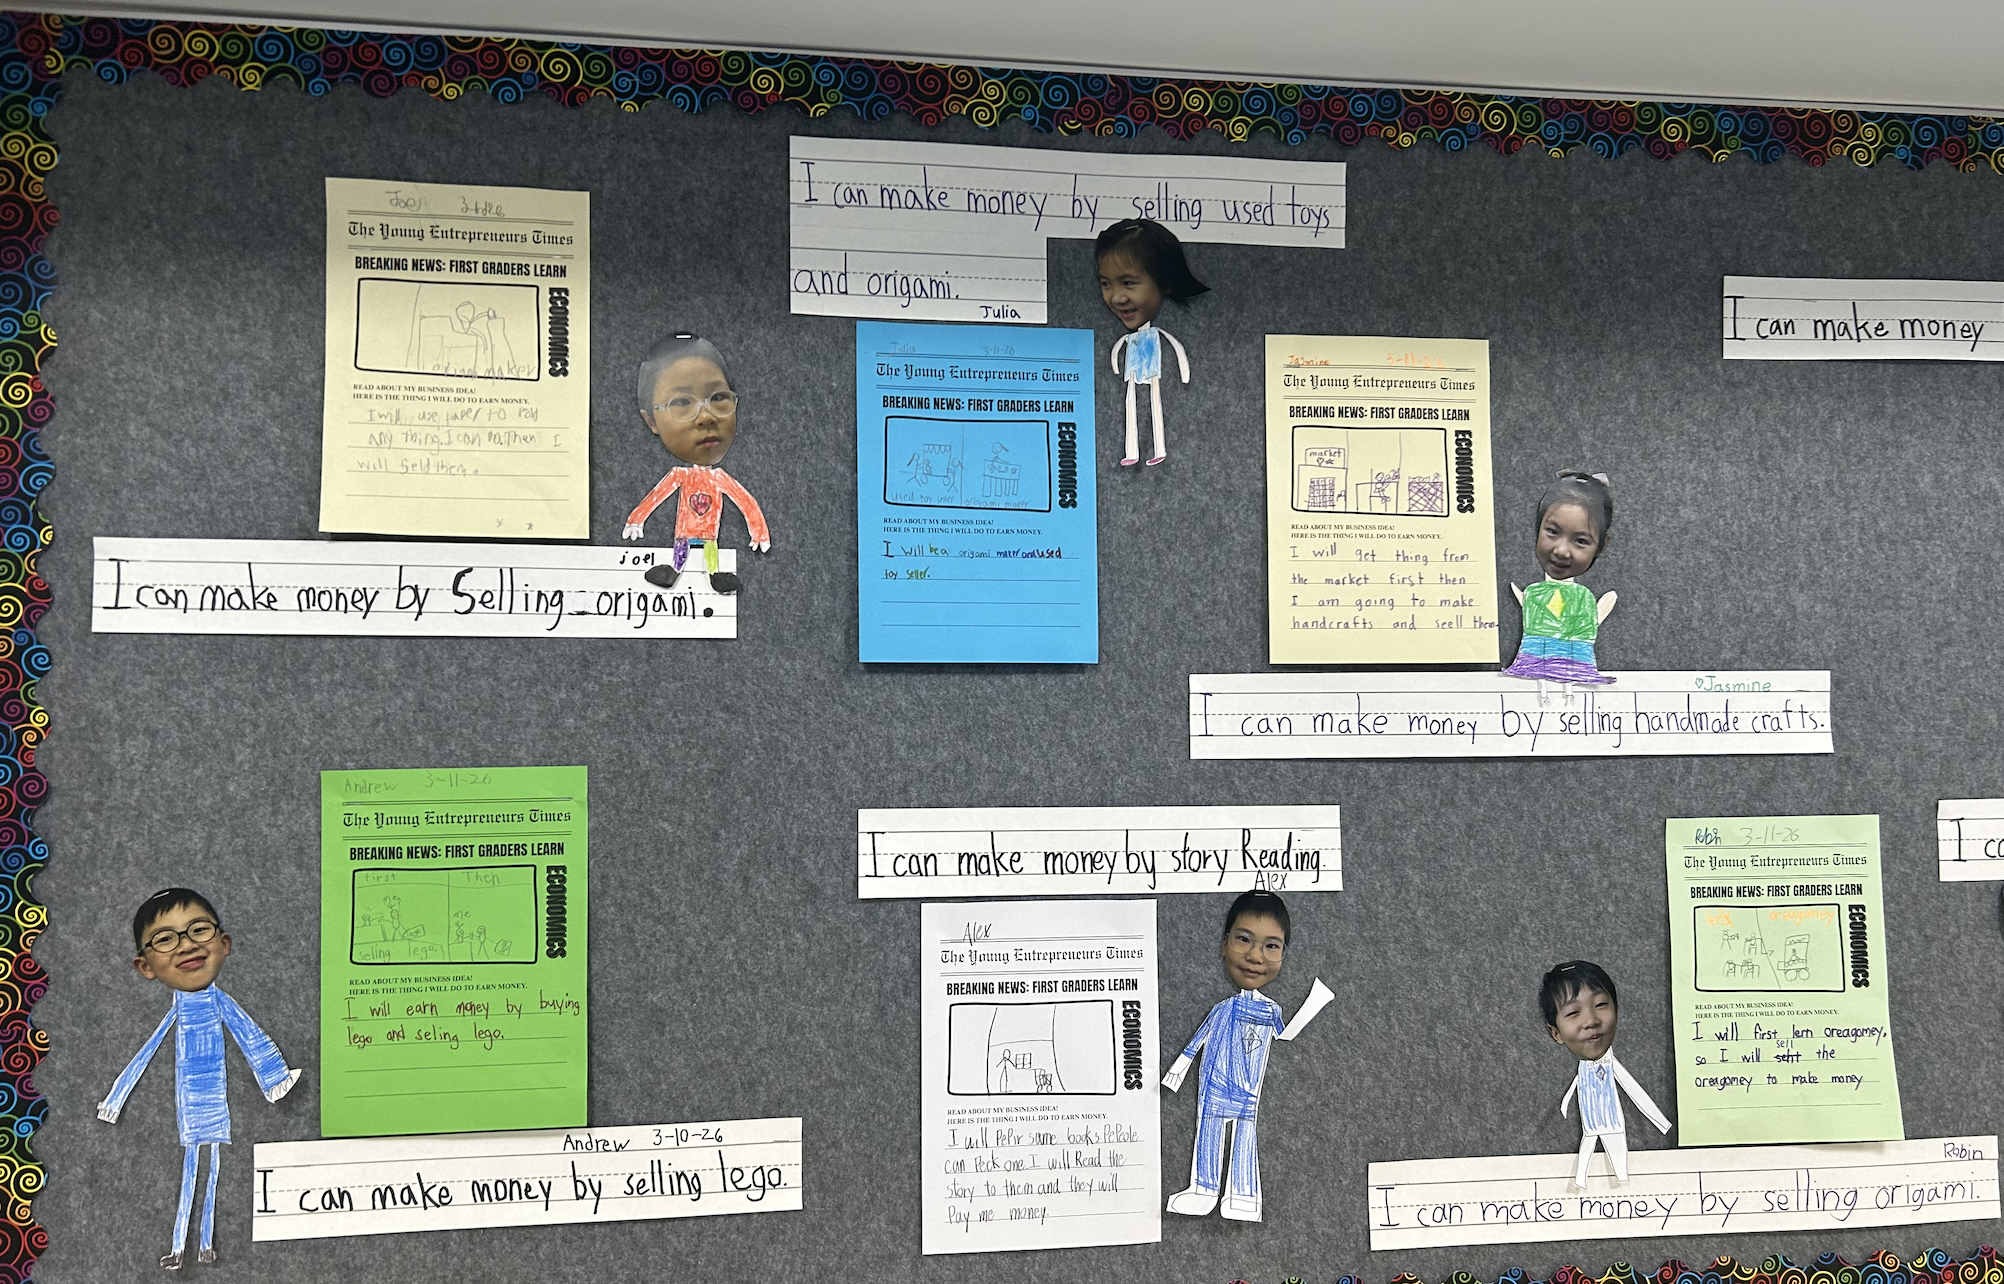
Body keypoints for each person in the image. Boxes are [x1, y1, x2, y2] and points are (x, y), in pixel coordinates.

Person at [99, 888, 302, 1270]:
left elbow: (251, 1037)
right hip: (190, 1099)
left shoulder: (221, 1002)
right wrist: (115, 1099)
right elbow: (146, 1052)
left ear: (224, 944)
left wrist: (274, 1077)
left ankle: (205, 1242)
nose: (187, 945)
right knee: (193, 1164)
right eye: (165, 939)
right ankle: (179, 1246)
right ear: (145, 965)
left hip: (214, 1098)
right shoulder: (176, 1009)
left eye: (199, 930)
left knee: (212, 1167)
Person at [1163, 890, 1290, 1221]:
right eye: (1243, 939)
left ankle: (1243, 1194)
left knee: (1245, 1134)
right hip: (1214, 1085)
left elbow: (1285, 1034)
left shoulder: (1271, 1011)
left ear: (1283, 954)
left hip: (1248, 1088)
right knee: (1208, 1132)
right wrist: (1178, 1069)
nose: (1255, 956)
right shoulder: (1222, 1008)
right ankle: (1203, 1189)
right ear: (1224, 943)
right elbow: (1198, 1039)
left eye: (1271, 946)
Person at [621, 332, 771, 594]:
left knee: (710, 550)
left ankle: (713, 575)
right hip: (685, 529)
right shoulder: (680, 475)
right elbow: (656, 497)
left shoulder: (719, 478)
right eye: (681, 402)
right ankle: (675, 570)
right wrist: (636, 519)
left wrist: (759, 532)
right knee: (682, 548)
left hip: (709, 531)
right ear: (650, 421)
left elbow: (745, 501)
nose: (705, 417)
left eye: (718, 398)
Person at [1540, 960, 1671, 1189]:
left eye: (1600, 1004)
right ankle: (1581, 1181)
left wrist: (1662, 1124)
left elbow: (1635, 1091)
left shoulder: (1640, 1070)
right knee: (1587, 1148)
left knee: (1616, 1150)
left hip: (1615, 1124)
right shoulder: (1559, 1090)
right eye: (1573, 1012)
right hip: (1590, 1124)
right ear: (1555, 1033)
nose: (1591, 1021)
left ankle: (1620, 1179)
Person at [1095, 219, 1206, 467]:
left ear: (1164, 283)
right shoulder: (1129, 340)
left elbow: (1174, 347)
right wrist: (1115, 364)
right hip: (1134, 368)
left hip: (1152, 366)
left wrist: (1184, 373)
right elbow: (1119, 349)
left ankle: (1158, 448)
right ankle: (1132, 450)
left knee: (1154, 399)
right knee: (1131, 401)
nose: (1117, 297)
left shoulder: (1158, 336)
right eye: (1106, 284)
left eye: (1128, 283)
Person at [1504, 470, 1617, 684]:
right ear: (1538, 527)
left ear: (1602, 546)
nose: (1562, 551)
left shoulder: (1583, 597)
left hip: (1578, 672)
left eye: (1581, 541)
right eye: (1552, 532)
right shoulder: (1534, 592)